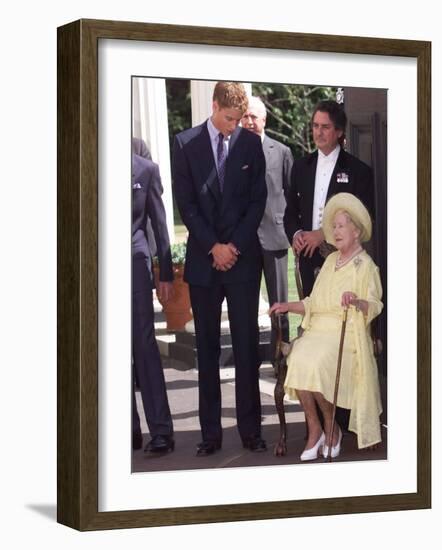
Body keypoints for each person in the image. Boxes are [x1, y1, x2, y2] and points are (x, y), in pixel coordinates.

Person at [172, 82, 268, 456]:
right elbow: (187, 204)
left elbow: (256, 201)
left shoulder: (250, 144)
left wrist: (235, 247)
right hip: (204, 263)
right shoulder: (185, 143)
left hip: (242, 263)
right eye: (229, 118)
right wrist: (214, 246)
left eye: (238, 119)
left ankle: (251, 432)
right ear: (214, 106)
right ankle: (210, 435)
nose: (233, 126)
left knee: (246, 349)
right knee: (208, 351)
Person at [269, 193, 383, 460]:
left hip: (345, 332)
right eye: (334, 226)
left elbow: (376, 304)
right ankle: (315, 428)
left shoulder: (365, 266)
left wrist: (357, 302)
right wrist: (287, 306)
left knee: (317, 362)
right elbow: (312, 303)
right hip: (317, 330)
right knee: (298, 358)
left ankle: (332, 430)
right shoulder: (331, 261)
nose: (336, 231)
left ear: (356, 231)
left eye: (341, 225)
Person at [283, 100, 374, 298]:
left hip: (344, 258)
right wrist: (297, 233)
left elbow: (364, 218)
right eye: (315, 126)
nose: (318, 132)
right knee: (311, 317)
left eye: (325, 127)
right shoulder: (300, 167)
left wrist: (323, 234)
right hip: (307, 258)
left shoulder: (359, 172)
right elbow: (290, 212)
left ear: (339, 131)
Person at [241, 96, 293, 366]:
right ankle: (249, 361)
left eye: (254, 117)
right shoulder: (232, 150)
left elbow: (290, 193)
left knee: (280, 305)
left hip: (275, 237)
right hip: (245, 241)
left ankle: (280, 362)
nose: (249, 122)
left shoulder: (281, 151)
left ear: (264, 120)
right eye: (245, 117)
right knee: (246, 306)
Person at [132, 153, 175, 453]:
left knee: (144, 346)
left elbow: (159, 225)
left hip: (134, 265)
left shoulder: (146, 170)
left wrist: (167, 274)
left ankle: (161, 431)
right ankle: (126, 431)